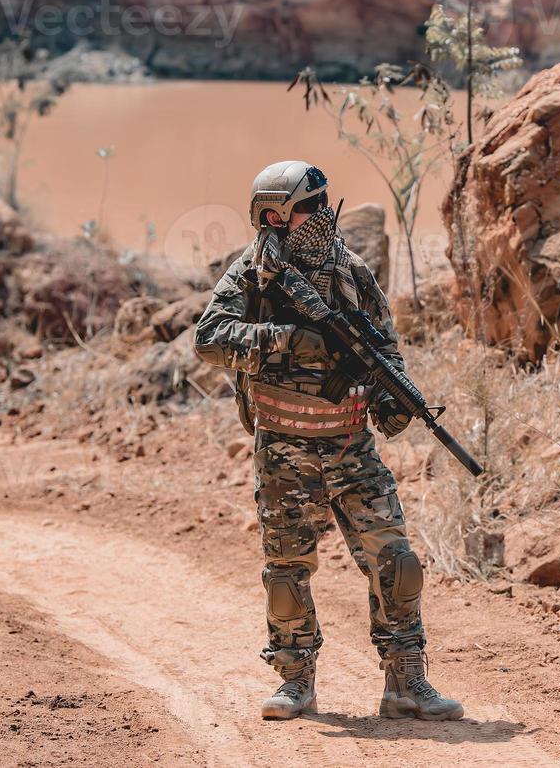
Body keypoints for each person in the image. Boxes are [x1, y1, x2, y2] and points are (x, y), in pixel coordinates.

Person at [193, 160, 463, 722]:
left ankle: (406, 683)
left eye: (290, 212)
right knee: (286, 569)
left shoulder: (353, 274)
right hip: (283, 450)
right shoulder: (252, 272)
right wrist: (288, 341)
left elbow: (385, 348)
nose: (282, 224)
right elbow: (210, 338)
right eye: (270, 215)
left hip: (349, 446)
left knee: (396, 561)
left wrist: (391, 395)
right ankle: (296, 682)